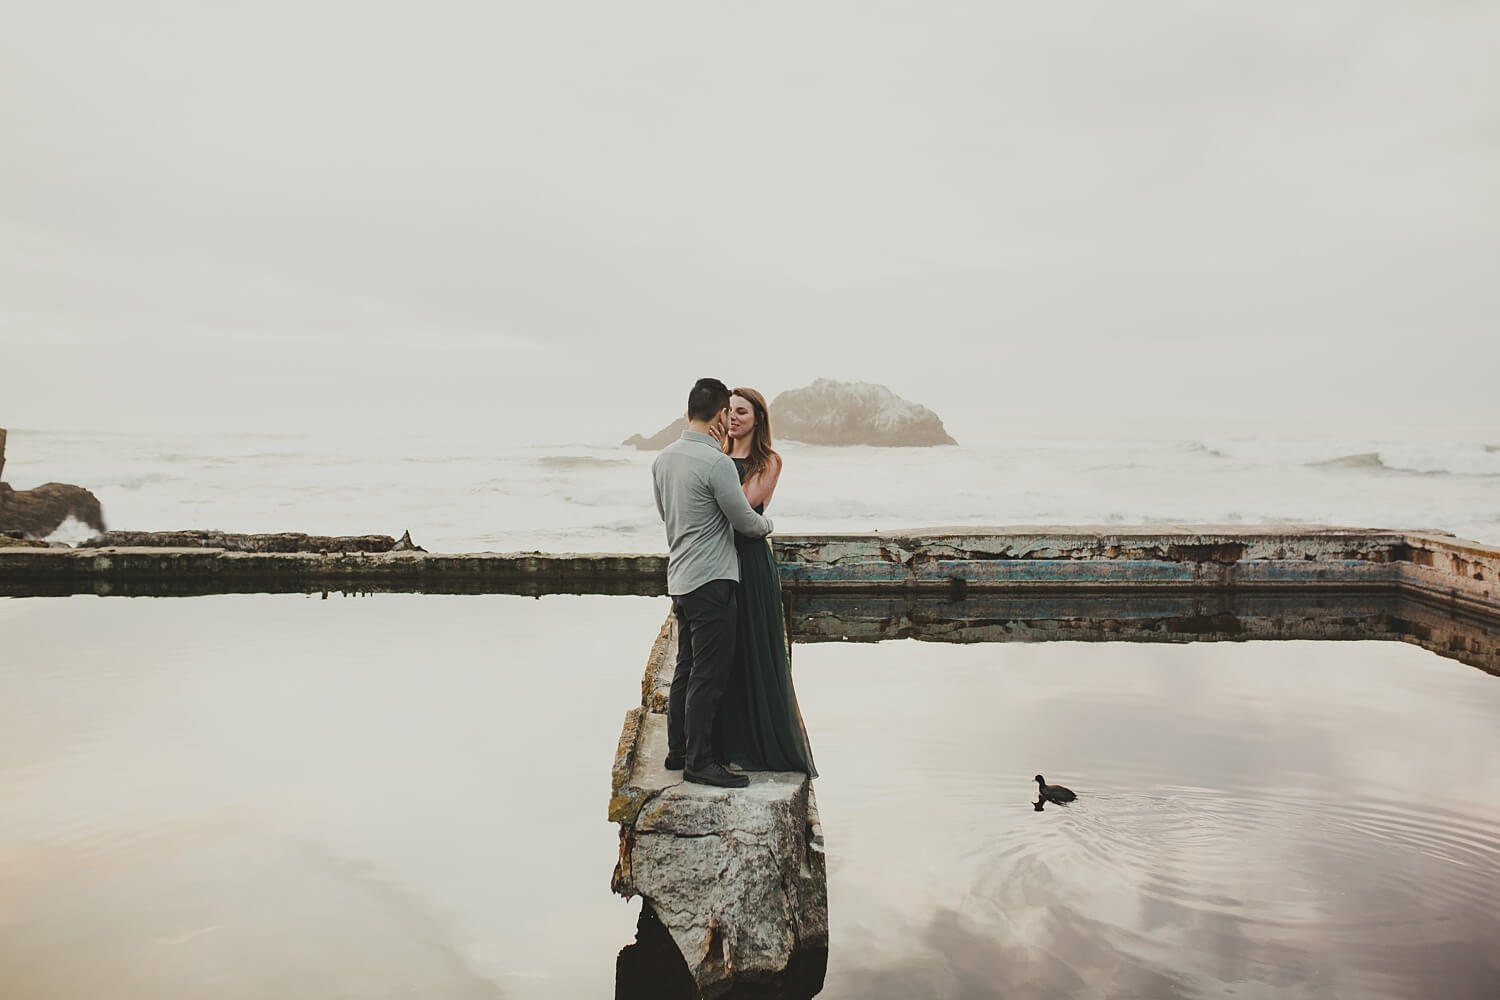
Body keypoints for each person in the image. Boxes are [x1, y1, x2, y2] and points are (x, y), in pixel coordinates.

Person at [651, 378, 775, 788]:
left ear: (689, 411)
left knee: (685, 667)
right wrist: (767, 524)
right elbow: (744, 520)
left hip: (681, 578)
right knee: (709, 674)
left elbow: (666, 512)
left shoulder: (663, 459)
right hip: (713, 578)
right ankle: (700, 762)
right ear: (721, 414)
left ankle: (677, 750)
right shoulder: (717, 463)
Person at [716, 387, 818, 777]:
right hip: (718, 557)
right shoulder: (718, 458)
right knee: (725, 652)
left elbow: (739, 505)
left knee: (754, 646)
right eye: (730, 411)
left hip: (750, 560)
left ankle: (756, 745)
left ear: (758, 418)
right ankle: (723, 743)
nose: (735, 417)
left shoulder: (768, 461)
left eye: (743, 411)